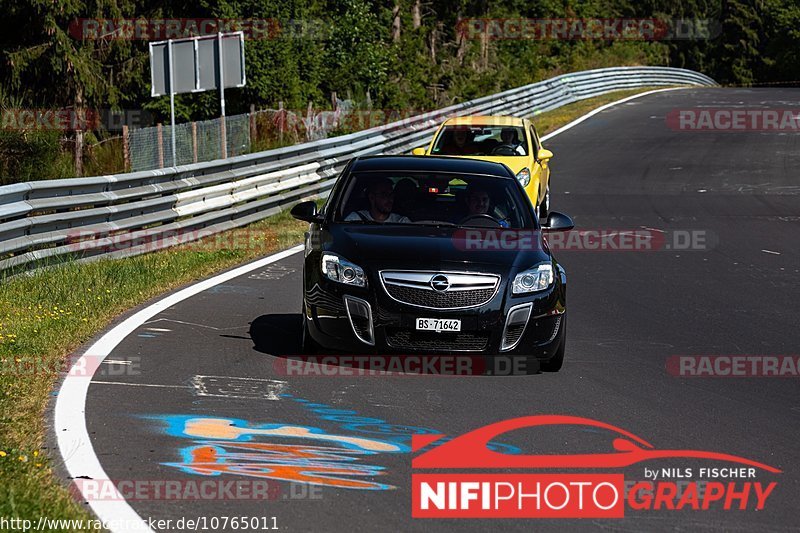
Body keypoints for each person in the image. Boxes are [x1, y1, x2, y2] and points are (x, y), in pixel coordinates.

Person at [345, 178, 411, 223]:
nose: (390, 199)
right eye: (384, 194)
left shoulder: (402, 222)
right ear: (372, 197)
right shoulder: (355, 219)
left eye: (391, 194)